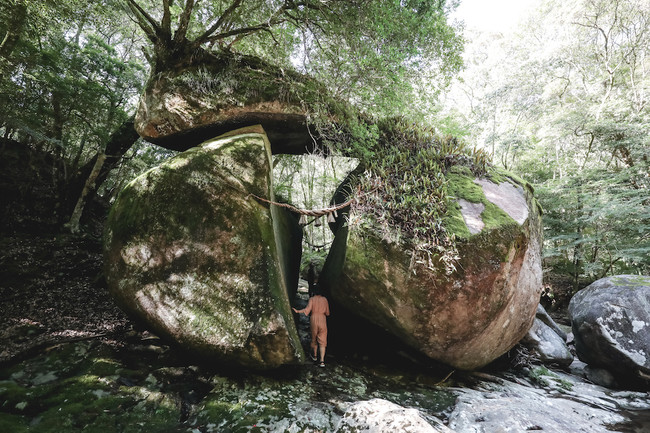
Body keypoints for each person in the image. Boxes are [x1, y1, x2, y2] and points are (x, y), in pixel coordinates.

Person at [293, 288, 330, 367]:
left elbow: (307, 310)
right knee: (323, 340)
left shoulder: (312, 299)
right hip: (322, 319)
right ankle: (322, 361)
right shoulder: (325, 299)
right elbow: (327, 313)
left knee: (314, 338)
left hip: (314, 318)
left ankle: (315, 357)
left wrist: (298, 311)